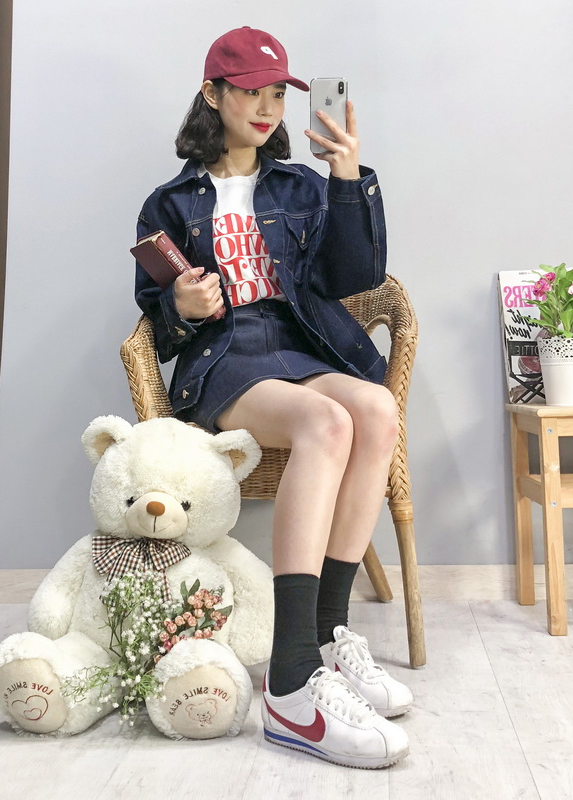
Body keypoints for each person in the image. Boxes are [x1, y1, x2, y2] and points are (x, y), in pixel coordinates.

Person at [135, 26, 413, 769]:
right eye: (250, 91)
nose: (265, 108)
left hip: (298, 341)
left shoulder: (300, 186)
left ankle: (326, 637)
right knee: (326, 422)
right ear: (212, 93)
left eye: (275, 95)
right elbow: (156, 320)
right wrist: (182, 309)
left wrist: (347, 178)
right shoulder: (169, 204)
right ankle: (291, 684)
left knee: (376, 410)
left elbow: (354, 278)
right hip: (227, 357)